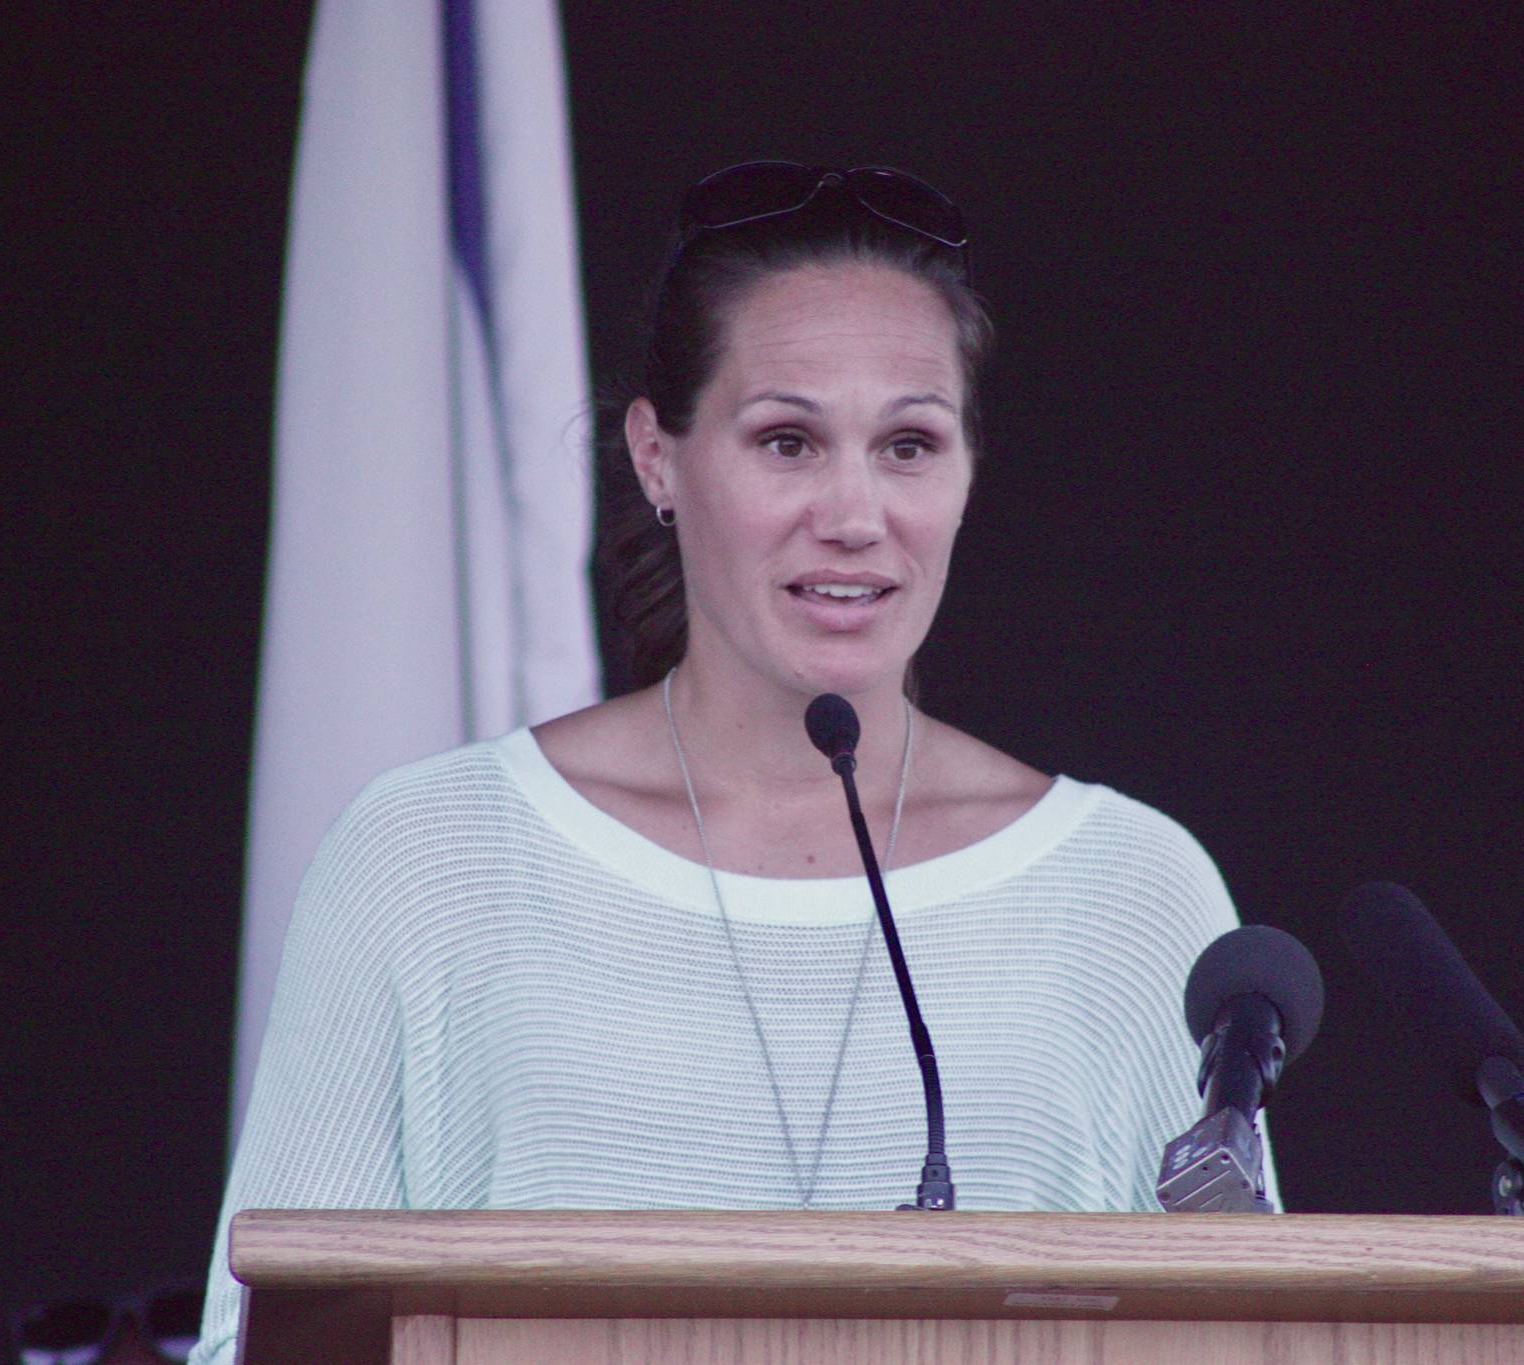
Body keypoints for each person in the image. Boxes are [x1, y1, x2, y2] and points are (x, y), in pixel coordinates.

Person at [189, 162, 1252, 1365]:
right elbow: (261, 1342)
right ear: (656, 457)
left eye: (908, 444)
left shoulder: (1129, 893)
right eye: (788, 440)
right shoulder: (428, 861)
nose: (854, 514)